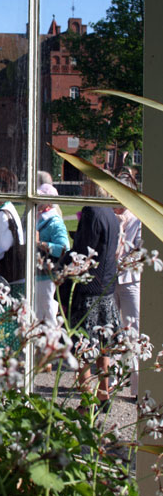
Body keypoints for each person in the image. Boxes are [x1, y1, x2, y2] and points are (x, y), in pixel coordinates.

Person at [66, 179, 121, 410]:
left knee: (83, 347)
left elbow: (83, 250)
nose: (81, 188)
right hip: (106, 286)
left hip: (89, 287)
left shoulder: (91, 211)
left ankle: (87, 401)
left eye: (85, 185)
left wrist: (66, 259)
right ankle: (103, 393)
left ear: (93, 188)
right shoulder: (111, 213)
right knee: (103, 343)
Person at [114, 170, 141, 398]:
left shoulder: (138, 220)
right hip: (111, 280)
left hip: (131, 280)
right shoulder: (112, 218)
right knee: (112, 330)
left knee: (133, 330)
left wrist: (122, 232)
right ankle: (111, 380)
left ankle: (138, 386)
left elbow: (139, 252)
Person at [36, 183, 69, 325]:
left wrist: (40, 244)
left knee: (49, 312)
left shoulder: (55, 222)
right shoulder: (38, 217)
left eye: (41, 197)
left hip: (49, 276)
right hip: (38, 274)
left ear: (49, 201)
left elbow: (63, 248)